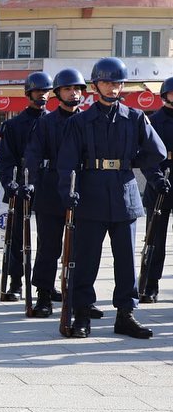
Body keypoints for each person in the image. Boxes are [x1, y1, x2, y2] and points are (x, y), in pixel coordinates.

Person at [56, 57, 166, 339]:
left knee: (126, 260)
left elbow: (158, 152)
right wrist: (67, 192)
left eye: (117, 83)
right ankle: (82, 313)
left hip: (123, 192)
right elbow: (67, 161)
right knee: (86, 258)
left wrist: (131, 161)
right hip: (91, 192)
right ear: (96, 85)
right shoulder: (80, 121)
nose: (112, 87)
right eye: (107, 82)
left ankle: (125, 315)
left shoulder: (135, 117)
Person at [22, 68, 98, 318]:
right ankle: (44, 294)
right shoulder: (45, 123)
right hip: (51, 189)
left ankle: (81, 298)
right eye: (68, 88)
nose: (74, 93)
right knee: (49, 247)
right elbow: (32, 156)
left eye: (77, 89)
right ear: (57, 93)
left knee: (82, 248)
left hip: (82, 188)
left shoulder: (90, 120)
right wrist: (29, 182)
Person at [0, 71, 52, 300]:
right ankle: (16, 281)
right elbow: (7, 159)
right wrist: (10, 184)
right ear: (29, 93)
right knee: (18, 238)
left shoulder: (54, 121)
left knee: (48, 239)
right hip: (22, 184)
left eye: (47, 91)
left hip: (49, 184)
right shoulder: (14, 125)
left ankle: (45, 283)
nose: (43, 96)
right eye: (39, 91)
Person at [138, 76, 173, 303]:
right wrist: (156, 179)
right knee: (155, 238)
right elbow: (147, 156)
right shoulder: (153, 120)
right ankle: (150, 284)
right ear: (165, 95)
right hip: (160, 180)